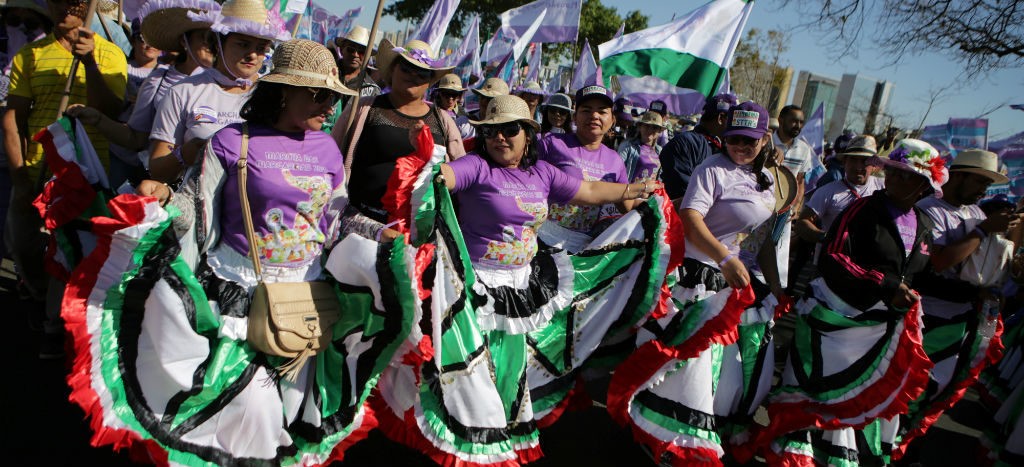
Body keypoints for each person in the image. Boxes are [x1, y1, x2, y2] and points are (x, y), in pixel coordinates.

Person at [61, 38, 420, 465]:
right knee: (249, 410)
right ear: (284, 91)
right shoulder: (233, 140)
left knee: (287, 411)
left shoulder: (326, 147)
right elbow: (194, 205)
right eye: (319, 95)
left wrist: (381, 235)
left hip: (304, 299)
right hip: (239, 291)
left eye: (334, 97)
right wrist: (160, 197)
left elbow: (337, 217)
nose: (330, 106)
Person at [373, 95, 675, 466]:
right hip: (474, 290)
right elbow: (449, 177)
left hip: (523, 287)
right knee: (471, 371)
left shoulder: (543, 174)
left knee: (509, 368)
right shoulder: (478, 167)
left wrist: (637, 190)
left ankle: (494, 436)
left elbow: (592, 192)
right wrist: (431, 167)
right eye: (492, 132)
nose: (500, 138)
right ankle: (469, 442)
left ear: (528, 135)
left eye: (510, 130)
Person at [755, 139, 979, 466]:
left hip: (878, 328)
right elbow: (834, 257)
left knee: (858, 404)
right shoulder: (862, 209)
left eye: (906, 176)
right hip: (836, 318)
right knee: (819, 397)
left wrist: (972, 295)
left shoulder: (922, 224)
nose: (895, 180)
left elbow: (922, 274)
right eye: (894, 172)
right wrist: (884, 283)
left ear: (923, 186)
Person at [608, 101, 784, 465]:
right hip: (695, 279)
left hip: (732, 284)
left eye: (749, 141)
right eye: (733, 138)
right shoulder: (711, 169)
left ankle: (684, 441)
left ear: (765, 140)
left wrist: (778, 289)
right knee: (690, 371)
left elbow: (763, 240)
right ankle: (668, 444)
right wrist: (724, 257)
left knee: (729, 379)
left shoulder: (766, 179)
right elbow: (690, 217)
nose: (739, 146)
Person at [4, 0, 127, 357]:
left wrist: (88, 62)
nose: (63, 9)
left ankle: (56, 326)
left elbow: (113, 111)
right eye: (56, 1)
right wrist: (19, 174)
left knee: (73, 251)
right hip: (36, 169)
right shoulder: (30, 55)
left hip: (85, 173)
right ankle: (39, 292)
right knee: (25, 247)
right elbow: (13, 118)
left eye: (73, 2)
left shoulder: (109, 53)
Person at [892, 148, 1018, 460]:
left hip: (964, 320)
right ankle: (888, 443)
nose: (983, 191)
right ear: (957, 176)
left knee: (943, 386)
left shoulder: (976, 213)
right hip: (925, 318)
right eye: (978, 182)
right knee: (909, 385)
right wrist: (983, 231)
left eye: (987, 186)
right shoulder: (928, 209)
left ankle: (909, 442)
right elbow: (938, 261)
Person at [64, 0, 219, 177]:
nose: (211, 44)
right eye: (204, 37)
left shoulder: (228, 84)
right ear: (185, 41)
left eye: (215, 38)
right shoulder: (159, 80)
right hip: (164, 183)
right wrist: (98, 119)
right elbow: (135, 138)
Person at [331, 38, 463, 242]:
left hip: (420, 233)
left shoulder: (442, 120)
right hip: (363, 226)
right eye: (407, 68)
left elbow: (460, 171)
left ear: (429, 81)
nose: (413, 76)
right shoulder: (365, 107)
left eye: (422, 72)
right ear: (393, 70)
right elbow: (333, 152)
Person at [147, 0, 289, 183]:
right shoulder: (182, 92)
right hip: (196, 205)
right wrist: (184, 155)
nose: (252, 55)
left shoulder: (275, 97)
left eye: (261, 48)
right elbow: (157, 171)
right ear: (218, 43)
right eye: (243, 44)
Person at [536, 85, 630, 253]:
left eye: (602, 111)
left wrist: (662, 204)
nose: (594, 116)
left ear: (612, 120)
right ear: (574, 117)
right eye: (586, 110)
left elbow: (628, 205)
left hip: (584, 249)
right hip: (543, 239)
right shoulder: (551, 144)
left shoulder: (615, 160)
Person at [795, 135, 883, 243]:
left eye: (865, 161)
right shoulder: (828, 191)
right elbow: (801, 223)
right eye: (853, 160)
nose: (858, 167)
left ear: (874, 165)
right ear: (844, 162)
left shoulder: (882, 188)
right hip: (831, 257)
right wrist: (828, 238)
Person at [658, 92, 738, 202]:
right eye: (734, 120)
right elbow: (683, 195)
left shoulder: (725, 149)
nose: (736, 128)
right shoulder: (685, 143)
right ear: (721, 118)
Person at [321, 25, 379, 133]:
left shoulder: (372, 90)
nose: (355, 55)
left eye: (361, 52)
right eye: (351, 50)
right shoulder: (324, 74)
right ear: (342, 50)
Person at [457, 76, 509, 152]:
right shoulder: (463, 122)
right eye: (482, 97)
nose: (484, 102)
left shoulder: (509, 129)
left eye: (490, 99)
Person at [617, 110, 667, 183]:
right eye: (647, 125)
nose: (650, 130)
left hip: (651, 193)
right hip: (629, 192)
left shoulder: (659, 151)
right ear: (640, 127)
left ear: (659, 131)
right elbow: (618, 170)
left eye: (655, 127)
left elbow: (659, 177)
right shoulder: (628, 146)